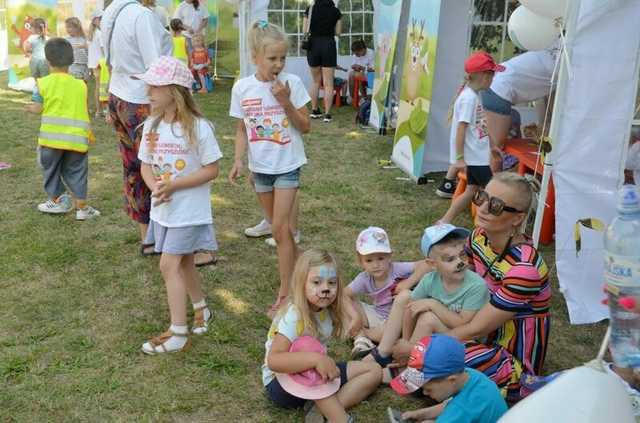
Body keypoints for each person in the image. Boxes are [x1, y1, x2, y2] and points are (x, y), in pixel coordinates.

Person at [136, 56, 222, 354]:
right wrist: (155, 188)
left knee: (168, 264)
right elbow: (146, 166)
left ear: (174, 91)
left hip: (189, 212)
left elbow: (212, 169)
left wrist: (175, 185)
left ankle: (178, 333)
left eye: (154, 86)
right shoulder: (151, 126)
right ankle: (201, 308)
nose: (148, 91)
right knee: (183, 263)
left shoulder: (199, 127)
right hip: (164, 211)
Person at [228, 21, 311, 317]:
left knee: (280, 229)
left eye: (282, 58)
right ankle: (308, 267)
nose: (278, 64)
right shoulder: (242, 87)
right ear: (255, 57)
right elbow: (241, 129)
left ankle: (286, 293)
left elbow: (306, 126)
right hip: (260, 169)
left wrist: (285, 101)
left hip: (288, 165)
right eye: (272, 58)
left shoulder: (293, 84)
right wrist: (239, 159)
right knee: (282, 232)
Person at [447, 172, 551, 403]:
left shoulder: (525, 270)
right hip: (480, 335)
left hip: (512, 362)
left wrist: (424, 343)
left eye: (496, 205)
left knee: (440, 352)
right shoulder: (478, 237)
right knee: (421, 309)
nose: (483, 207)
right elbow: (464, 287)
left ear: (517, 219)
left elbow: (475, 328)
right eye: (482, 197)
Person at [263, 249, 382, 423]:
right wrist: (315, 360)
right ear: (301, 284)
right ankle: (340, 418)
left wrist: (355, 315)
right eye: (317, 282)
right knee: (312, 352)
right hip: (281, 383)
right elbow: (274, 361)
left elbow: (341, 298)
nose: (325, 289)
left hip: (315, 372)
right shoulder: (294, 315)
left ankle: (321, 409)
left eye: (331, 283)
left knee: (373, 370)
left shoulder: (324, 305)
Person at [362, 225, 488, 379]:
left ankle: (410, 370)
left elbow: (464, 324)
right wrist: (406, 341)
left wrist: (433, 304)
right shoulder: (430, 279)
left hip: (464, 341)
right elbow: (410, 308)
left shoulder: (476, 285)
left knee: (428, 318)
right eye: (449, 259)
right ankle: (387, 352)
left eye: (462, 255)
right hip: (435, 335)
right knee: (405, 297)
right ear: (433, 264)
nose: (459, 262)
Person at [101, 0, 172, 257]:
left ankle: (147, 238)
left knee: (135, 167)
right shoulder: (141, 16)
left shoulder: (113, 9)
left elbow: (107, 58)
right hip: (141, 100)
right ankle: (163, 238)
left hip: (119, 95)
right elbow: (157, 68)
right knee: (158, 166)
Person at [24, 38, 100, 221]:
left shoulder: (42, 83)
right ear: (72, 60)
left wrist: (30, 108)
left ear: (48, 61)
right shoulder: (81, 85)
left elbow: (39, 107)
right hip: (76, 140)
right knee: (77, 172)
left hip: (51, 141)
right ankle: (82, 208)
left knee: (50, 170)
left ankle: (58, 200)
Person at [437, 52, 504, 223]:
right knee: (494, 192)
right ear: (483, 76)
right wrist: (459, 158)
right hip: (474, 159)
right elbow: (461, 129)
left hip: (477, 157)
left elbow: (480, 127)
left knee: (471, 191)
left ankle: (444, 221)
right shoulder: (468, 99)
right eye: (492, 75)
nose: (493, 79)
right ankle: (494, 225)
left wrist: (493, 146)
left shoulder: (473, 96)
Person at [345, 226, 429, 359]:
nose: (375, 265)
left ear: (389, 256)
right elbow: (343, 295)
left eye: (380, 258)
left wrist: (408, 283)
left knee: (387, 332)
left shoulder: (397, 269)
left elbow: (426, 264)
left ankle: (363, 335)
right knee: (342, 305)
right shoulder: (364, 278)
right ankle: (362, 338)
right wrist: (355, 316)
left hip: (396, 322)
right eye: (369, 260)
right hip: (377, 315)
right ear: (360, 261)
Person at [388, 335, 507, 423]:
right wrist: (419, 414)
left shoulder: (462, 410)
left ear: (451, 380)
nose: (424, 392)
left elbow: (456, 408)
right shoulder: (471, 375)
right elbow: (449, 404)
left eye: (428, 389)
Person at [481, 46, 559, 172]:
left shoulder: (548, 46)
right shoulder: (566, 57)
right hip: (498, 90)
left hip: (496, 86)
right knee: (496, 148)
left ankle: (488, 186)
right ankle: (489, 188)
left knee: (493, 147)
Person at [303, 0, 342, 123]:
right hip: (328, 45)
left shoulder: (310, 9)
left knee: (315, 81)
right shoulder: (336, 11)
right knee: (328, 83)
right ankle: (327, 114)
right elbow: (338, 32)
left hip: (313, 45)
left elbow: (305, 30)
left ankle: (314, 110)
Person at [87, 10, 106, 117]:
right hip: (101, 63)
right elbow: (104, 50)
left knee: (97, 87)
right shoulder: (100, 33)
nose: (103, 20)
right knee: (103, 87)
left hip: (94, 64)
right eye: (101, 18)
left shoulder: (92, 33)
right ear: (95, 20)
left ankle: (99, 110)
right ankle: (102, 110)